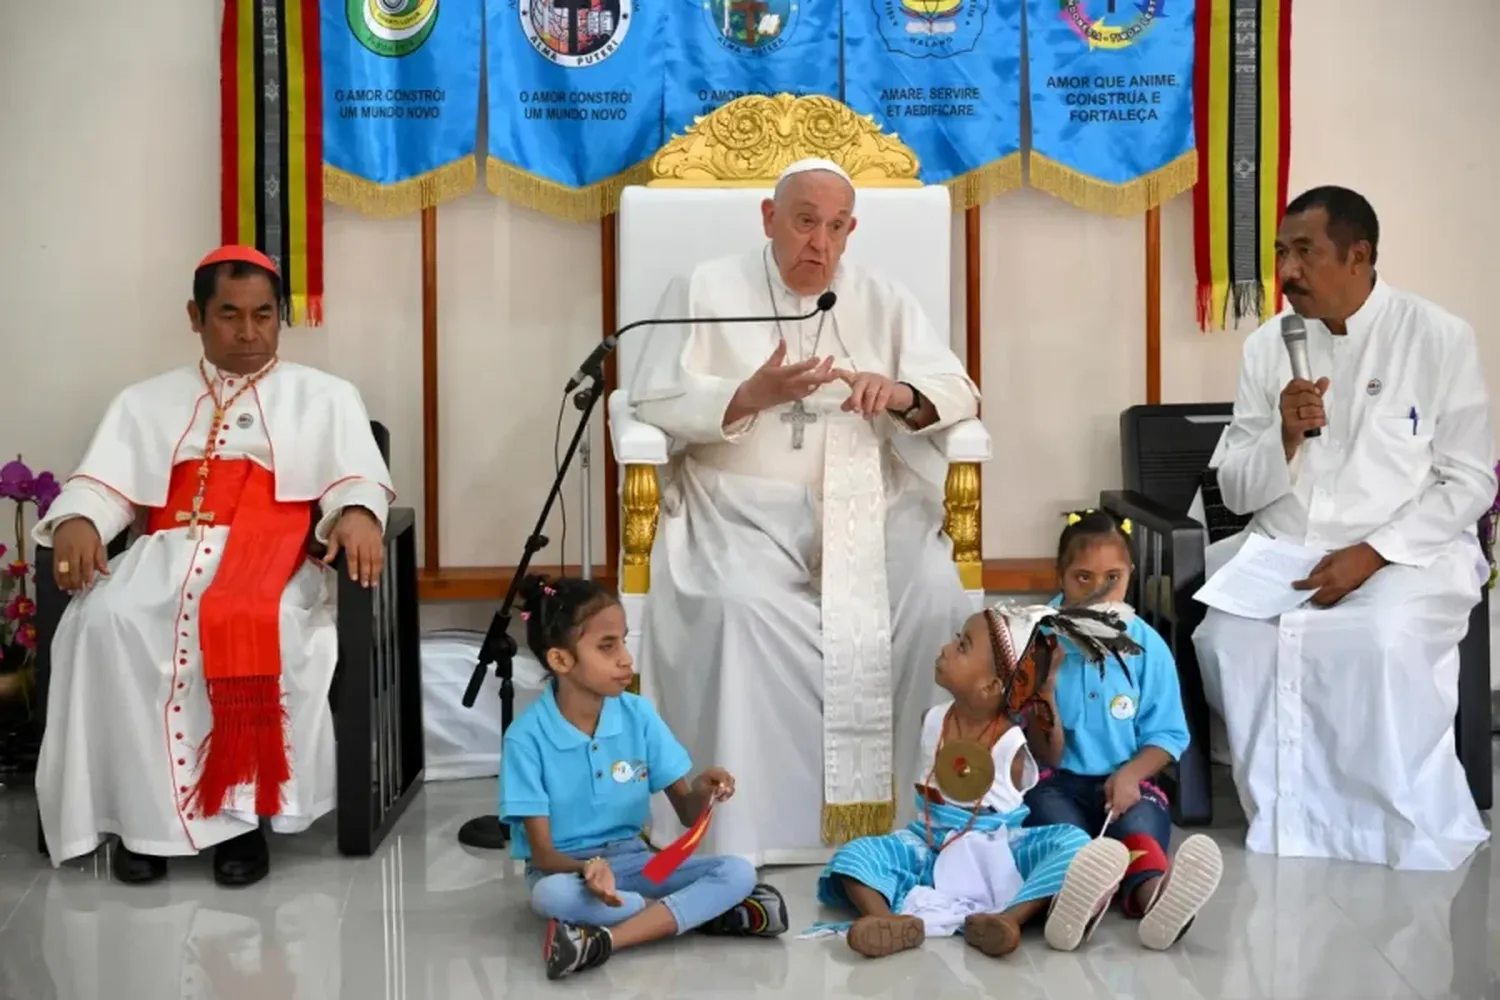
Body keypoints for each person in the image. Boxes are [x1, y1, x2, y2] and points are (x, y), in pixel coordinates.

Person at [628, 157, 982, 864]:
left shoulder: (881, 298)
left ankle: (918, 814)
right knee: (737, 606)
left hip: (868, 500)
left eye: (836, 226)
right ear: (769, 218)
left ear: (852, 231)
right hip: (735, 505)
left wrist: (901, 393)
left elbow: (959, 390)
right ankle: (743, 828)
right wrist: (748, 396)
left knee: (936, 588)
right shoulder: (702, 288)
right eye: (804, 221)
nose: (819, 242)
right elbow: (650, 401)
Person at [33, 245, 394, 886]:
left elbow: (355, 480)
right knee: (107, 624)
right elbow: (104, 486)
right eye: (229, 315)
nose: (249, 332)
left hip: (274, 561)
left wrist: (359, 511)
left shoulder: (326, 396)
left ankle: (243, 820)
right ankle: (141, 823)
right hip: (165, 554)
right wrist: (80, 519)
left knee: (270, 626)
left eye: (263, 315)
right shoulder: (144, 401)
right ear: (195, 317)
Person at [1194, 186, 1495, 871]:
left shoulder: (1438, 337)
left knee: (1380, 637)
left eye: (1305, 252)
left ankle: (1385, 824)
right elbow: (1237, 491)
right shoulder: (1269, 345)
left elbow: (1470, 480)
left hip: (1406, 553)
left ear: (1359, 257)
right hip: (1285, 550)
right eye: (1280, 252)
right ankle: (1288, 819)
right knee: (1229, 639)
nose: (1288, 270)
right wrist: (1284, 437)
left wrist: (1374, 554)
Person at [810, 603, 1145, 960]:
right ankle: (886, 921)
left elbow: (1051, 757)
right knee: (854, 854)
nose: (946, 649)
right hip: (928, 842)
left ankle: (1007, 920)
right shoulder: (933, 719)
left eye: (962, 646)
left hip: (997, 848)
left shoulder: (1011, 742)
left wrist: (1045, 691)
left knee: (1073, 843)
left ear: (991, 686)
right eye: (957, 641)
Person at [498, 575, 789, 982]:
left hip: (641, 863)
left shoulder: (640, 715)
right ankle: (703, 913)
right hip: (567, 872)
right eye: (607, 646)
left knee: (738, 871)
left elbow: (687, 814)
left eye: (623, 641)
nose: (626, 660)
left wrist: (703, 790)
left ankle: (603, 941)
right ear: (561, 661)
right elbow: (543, 856)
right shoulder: (525, 739)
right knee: (551, 896)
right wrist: (589, 870)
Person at [1023, 510, 1223, 950]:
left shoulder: (1147, 646)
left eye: (1112, 577)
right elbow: (1046, 756)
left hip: (1127, 783)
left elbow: (1169, 736)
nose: (1098, 592)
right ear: (1059, 577)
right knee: (1058, 830)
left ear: (1130, 575)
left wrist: (1132, 774)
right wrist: (1048, 688)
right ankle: (1078, 900)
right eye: (1082, 578)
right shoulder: (1039, 641)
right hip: (1056, 783)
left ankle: (1154, 898)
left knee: (1145, 822)